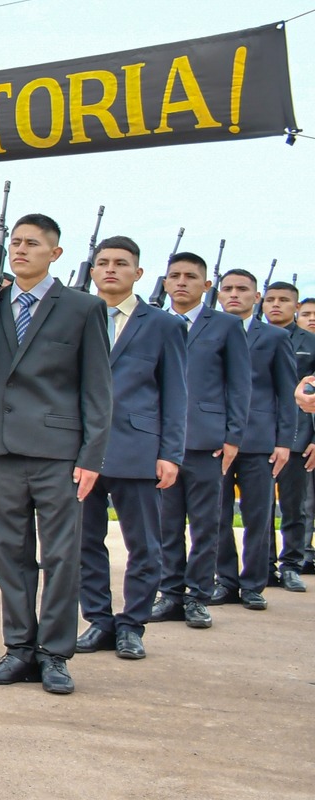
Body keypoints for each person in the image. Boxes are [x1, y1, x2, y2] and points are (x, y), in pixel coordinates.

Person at [0, 213, 112, 696]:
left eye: (31, 244)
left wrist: (91, 456)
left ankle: (54, 655)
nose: (20, 250)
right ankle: (19, 648)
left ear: (55, 253)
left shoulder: (83, 307)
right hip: (0, 446)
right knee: (9, 554)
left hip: (60, 453)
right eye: (15, 243)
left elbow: (98, 389)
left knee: (62, 556)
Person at [73, 236, 183, 662]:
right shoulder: (76, 318)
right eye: (103, 263)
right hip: (81, 450)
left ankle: (132, 625)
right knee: (86, 541)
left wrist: (170, 453)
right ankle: (98, 620)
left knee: (145, 545)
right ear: (92, 271)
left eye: (121, 263)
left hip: (138, 449)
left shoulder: (164, 325)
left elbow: (176, 395)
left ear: (138, 273)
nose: (111, 269)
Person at [149, 253, 248, 629]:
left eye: (191, 277)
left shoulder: (224, 325)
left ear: (207, 285)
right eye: (174, 276)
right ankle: (169, 593)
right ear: (164, 282)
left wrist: (233, 436)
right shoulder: (155, 322)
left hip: (207, 441)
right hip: (160, 441)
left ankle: (196, 596)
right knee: (166, 524)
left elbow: (240, 385)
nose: (182, 283)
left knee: (206, 523)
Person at [214, 269, 294, 609]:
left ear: (256, 296)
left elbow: (286, 392)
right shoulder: (206, 332)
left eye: (242, 289)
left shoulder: (273, 337)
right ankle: (225, 581)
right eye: (228, 288)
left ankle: (253, 584)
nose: (234, 294)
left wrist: (284, 441)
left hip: (260, 440)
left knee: (258, 515)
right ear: (218, 295)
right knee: (215, 515)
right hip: (214, 440)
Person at [265, 283, 314, 591]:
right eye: (270, 299)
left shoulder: (310, 342)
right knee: (261, 508)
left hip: (297, 436)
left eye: (284, 300)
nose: (276, 305)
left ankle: (292, 565)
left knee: (294, 508)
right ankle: (264, 566)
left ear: (295, 307)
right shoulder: (250, 336)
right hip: (257, 437)